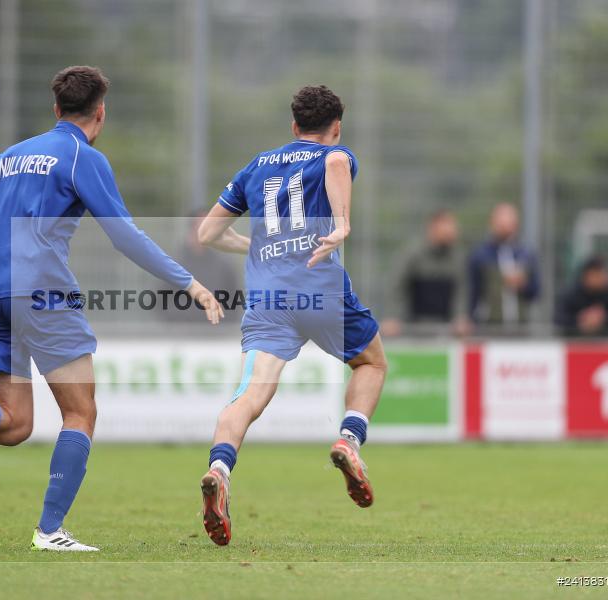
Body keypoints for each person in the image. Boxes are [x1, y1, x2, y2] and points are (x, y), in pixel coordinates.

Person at [0, 66, 221, 552]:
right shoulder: (82, 158)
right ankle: (49, 531)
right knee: (80, 412)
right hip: (41, 294)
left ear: (55, 109)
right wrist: (188, 281)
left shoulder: (5, 159)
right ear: (100, 113)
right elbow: (125, 235)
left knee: (13, 425)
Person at [195, 85, 387, 546]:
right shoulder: (334, 154)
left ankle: (219, 467)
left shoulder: (256, 166)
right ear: (335, 128)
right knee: (371, 362)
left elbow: (207, 232)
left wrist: (255, 244)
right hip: (319, 288)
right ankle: (349, 439)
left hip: (268, 298)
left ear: (293, 125)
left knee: (250, 394)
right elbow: (337, 163)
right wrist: (341, 223)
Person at [382, 209, 470, 337]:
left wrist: (460, 317)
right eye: (446, 229)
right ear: (433, 228)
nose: (452, 233)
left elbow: (461, 291)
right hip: (413, 328)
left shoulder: (458, 258)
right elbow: (396, 287)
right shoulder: (413, 254)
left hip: (447, 331)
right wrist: (393, 317)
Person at [161, 209, 241, 323]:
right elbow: (161, 301)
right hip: (181, 334)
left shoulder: (224, 265)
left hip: (215, 335)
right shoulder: (174, 264)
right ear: (191, 229)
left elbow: (234, 301)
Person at [468, 203, 540, 328]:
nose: (505, 227)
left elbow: (536, 292)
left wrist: (522, 284)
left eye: (509, 222)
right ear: (492, 223)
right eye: (501, 222)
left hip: (520, 326)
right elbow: (472, 293)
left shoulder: (527, 255)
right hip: (489, 326)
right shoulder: (480, 256)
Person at [555, 255, 608, 337]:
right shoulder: (571, 292)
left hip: (607, 343)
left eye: (603, 274)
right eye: (596, 275)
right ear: (586, 275)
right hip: (574, 341)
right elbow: (558, 318)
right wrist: (580, 319)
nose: (602, 278)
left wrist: (603, 319)